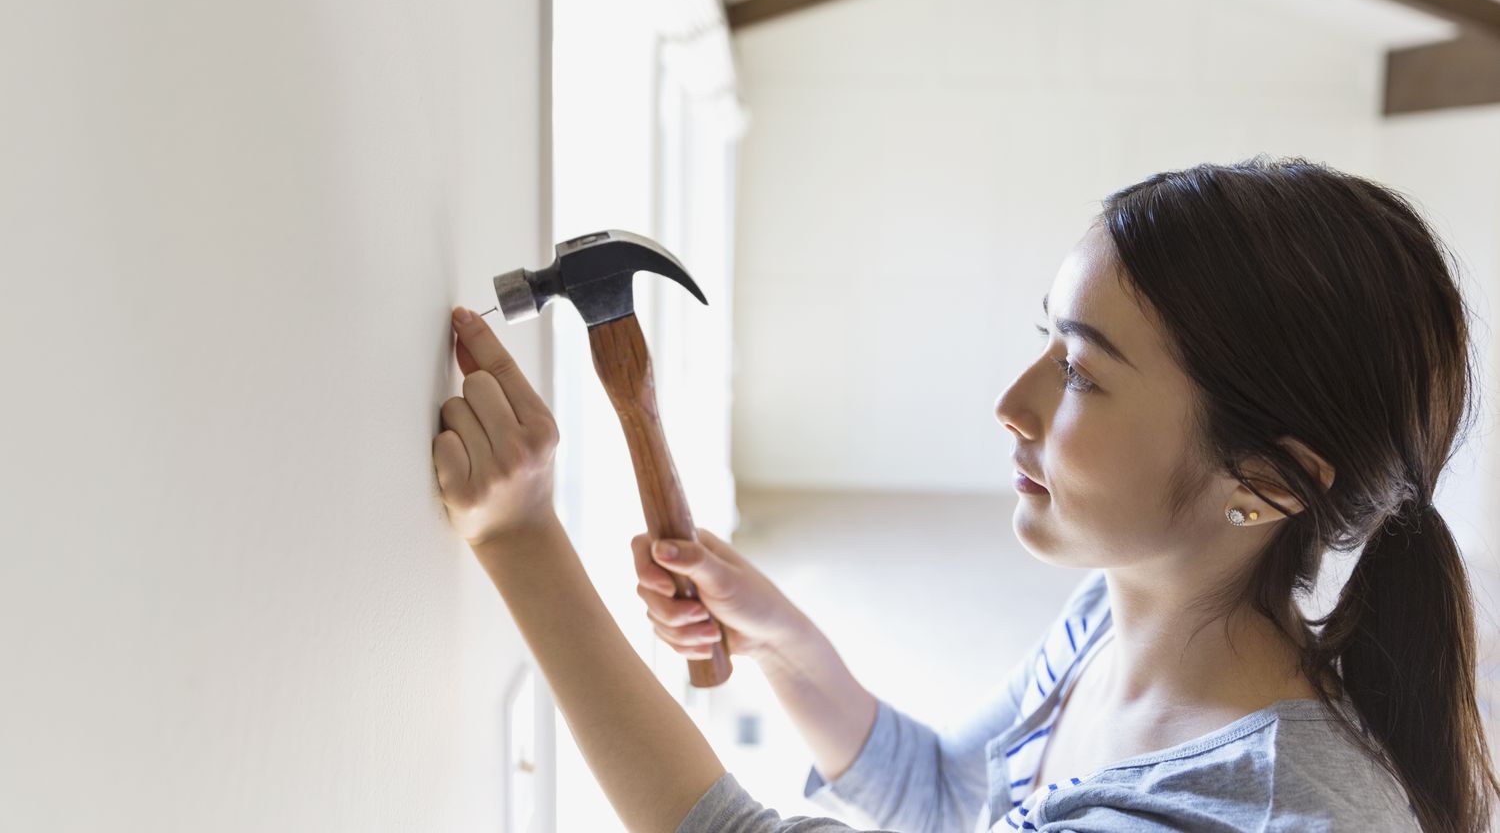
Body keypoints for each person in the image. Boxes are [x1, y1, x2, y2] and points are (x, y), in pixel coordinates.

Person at [434, 156, 1499, 833]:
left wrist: (522, 538)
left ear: (1266, 481)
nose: (1011, 403)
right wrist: (785, 643)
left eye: (1083, 372)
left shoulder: (1253, 817)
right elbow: (955, 797)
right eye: (1048, 338)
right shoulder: (1118, 621)